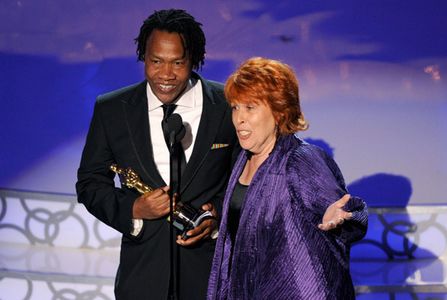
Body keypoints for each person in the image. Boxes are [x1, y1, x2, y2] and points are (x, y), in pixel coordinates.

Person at [76, 9, 239, 299]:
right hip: (142, 277)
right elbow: (90, 183)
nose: (165, 75)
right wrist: (134, 209)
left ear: (194, 60)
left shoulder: (227, 106)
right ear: (144, 57)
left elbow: (247, 179)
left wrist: (218, 215)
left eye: (178, 63)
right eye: (156, 62)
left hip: (210, 276)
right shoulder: (113, 109)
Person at [207, 57, 368, 299]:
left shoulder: (300, 159)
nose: (239, 119)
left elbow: (349, 210)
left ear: (279, 111)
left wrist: (341, 217)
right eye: (235, 107)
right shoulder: (243, 159)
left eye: (250, 107)